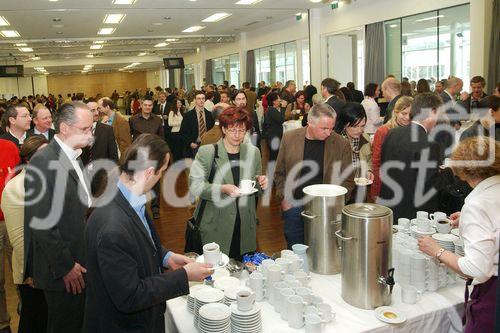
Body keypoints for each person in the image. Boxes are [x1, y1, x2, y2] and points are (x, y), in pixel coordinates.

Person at [84, 134, 213, 333]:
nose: (161, 177)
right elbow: (130, 296)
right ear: (149, 172)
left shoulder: (130, 199)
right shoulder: (112, 228)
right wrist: (183, 276)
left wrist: (166, 257)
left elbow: (141, 242)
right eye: (161, 172)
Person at [417, 137, 500, 333]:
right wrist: (468, 218)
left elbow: (478, 269)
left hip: (493, 294)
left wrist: (437, 251)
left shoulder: (477, 203)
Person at [24, 102, 94, 332]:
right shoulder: (42, 163)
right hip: (63, 269)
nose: (90, 134)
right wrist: (66, 266)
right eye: (85, 129)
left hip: (80, 260)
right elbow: (41, 225)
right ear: (64, 128)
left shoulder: (76, 155)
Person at [189, 106, 267, 260]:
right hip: (217, 224)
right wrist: (222, 188)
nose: (237, 135)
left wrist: (263, 183)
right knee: (217, 270)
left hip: (244, 224)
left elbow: (256, 186)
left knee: (242, 268)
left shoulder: (254, 153)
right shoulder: (207, 152)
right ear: (223, 129)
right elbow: (195, 185)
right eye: (232, 130)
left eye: (242, 130)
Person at [275, 104, 355, 248]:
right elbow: (279, 173)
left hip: (326, 210)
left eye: (331, 128)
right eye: (324, 128)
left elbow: (348, 180)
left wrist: (335, 205)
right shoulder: (289, 138)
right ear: (310, 122)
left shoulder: (341, 144)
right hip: (294, 206)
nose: (329, 133)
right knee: (295, 249)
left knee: (322, 251)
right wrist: (284, 198)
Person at [378, 93, 453, 221]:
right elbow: (429, 187)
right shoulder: (429, 145)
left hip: (389, 207)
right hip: (413, 214)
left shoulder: (392, 133)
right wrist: (449, 171)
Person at [2, 135, 49, 333]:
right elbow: (19, 237)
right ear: (29, 159)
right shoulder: (15, 187)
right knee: (33, 319)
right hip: (31, 272)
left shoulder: (49, 180)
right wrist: (29, 272)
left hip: (50, 267)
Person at [129, 96, 164, 219]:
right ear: (141, 105)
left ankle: (155, 209)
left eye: (150, 105)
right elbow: (130, 139)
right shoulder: (133, 120)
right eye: (145, 105)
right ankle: (140, 207)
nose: (148, 107)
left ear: (152, 106)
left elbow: (161, 138)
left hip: (154, 155)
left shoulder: (158, 120)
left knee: (155, 183)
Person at [370, 96, 412, 199]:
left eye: (410, 114)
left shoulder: (414, 131)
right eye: (404, 113)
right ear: (396, 112)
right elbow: (376, 162)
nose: (407, 117)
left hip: (407, 186)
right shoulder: (383, 131)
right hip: (386, 184)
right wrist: (376, 191)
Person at [335, 102, 373, 202]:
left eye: (362, 126)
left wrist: (368, 171)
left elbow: (369, 159)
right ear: (345, 124)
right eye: (355, 126)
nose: (360, 130)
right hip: (340, 190)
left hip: (359, 191)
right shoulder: (335, 141)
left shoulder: (365, 138)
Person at [82, 101, 119, 196]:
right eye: (93, 110)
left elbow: (113, 155)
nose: (97, 113)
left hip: (102, 176)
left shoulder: (107, 130)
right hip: (84, 176)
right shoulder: (79, 130)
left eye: (98, 109)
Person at [179, 91, 215, 159]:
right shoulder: (188, 115)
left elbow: (212, 131)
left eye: (203, 98)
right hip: (194, 146)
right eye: (199, 98)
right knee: (195, 168)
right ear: (195, 100)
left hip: (207, 145)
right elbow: (183, 132)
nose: (201, 100)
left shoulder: (209, 115)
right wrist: (190, 143)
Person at [262, 92, 286, 162]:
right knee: (274, 157)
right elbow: (281, 119)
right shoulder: (271, 110)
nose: (280, 100)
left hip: (274, 136)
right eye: (278, 98)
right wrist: (283, 108)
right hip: (273, 136)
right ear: (274, 101)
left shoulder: (272, 109)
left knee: (274, 156)